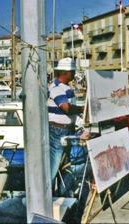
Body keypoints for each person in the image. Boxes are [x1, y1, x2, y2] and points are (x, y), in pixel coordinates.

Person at [48, 58, 84, 191]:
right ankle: (49, 197)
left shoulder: (65, 88)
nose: (74, 74)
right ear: (65, 72)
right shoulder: (56, 88)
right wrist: (81, 109)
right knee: (54, 165)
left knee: (64, 164)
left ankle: (62, 192)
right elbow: (66, 108)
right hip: (58, 130)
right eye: (72, 71)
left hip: (65, 130)